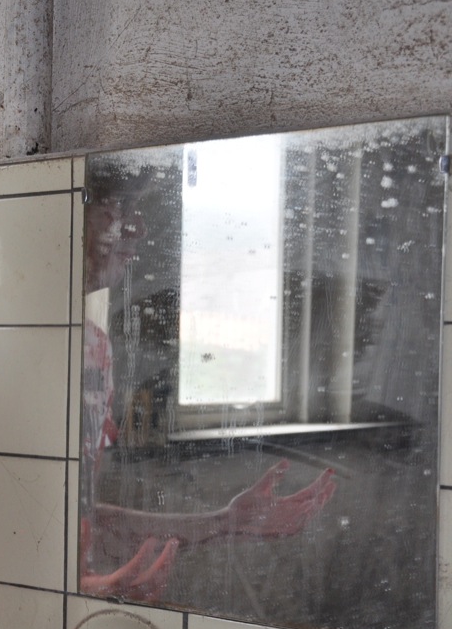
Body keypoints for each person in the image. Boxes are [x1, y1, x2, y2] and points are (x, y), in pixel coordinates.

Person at [78, 166, 336, 600]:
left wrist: (226, 522)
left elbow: (79, 519)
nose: (138, 227)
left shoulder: (94, 348)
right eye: (118, 206)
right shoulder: (3, 351)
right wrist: (88, 589)